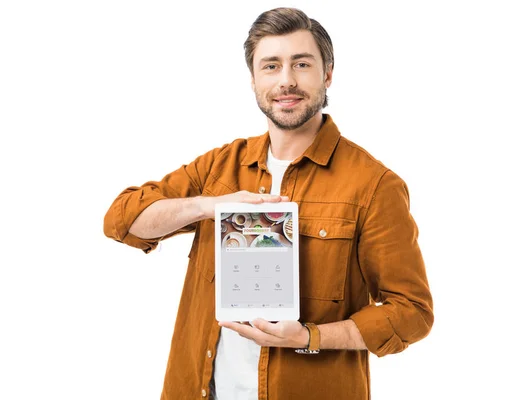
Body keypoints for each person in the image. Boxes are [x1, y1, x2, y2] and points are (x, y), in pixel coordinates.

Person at [103, 7, 433, 400]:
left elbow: (412, 312)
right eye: (271, 66)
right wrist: (210, 207)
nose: (286, 81)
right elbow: (122, 220)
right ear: (254, 79)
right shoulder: (220, 167)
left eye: (302, 64)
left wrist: (310, 336)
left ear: (327, 74)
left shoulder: (374, 186)